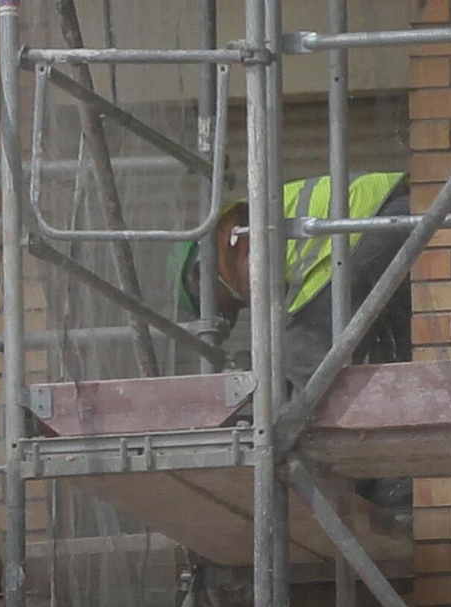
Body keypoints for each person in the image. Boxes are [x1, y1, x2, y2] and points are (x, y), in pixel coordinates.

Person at [169, 172, 414, 513]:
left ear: (201, 274)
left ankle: (332, 469)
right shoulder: (243, 228)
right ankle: (395, 481)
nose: (232, 309)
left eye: (217, 303)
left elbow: (285, 326)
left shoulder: (231, 237)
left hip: (365, 224)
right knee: (391, 353)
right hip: (394, 215)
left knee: (303, 352)